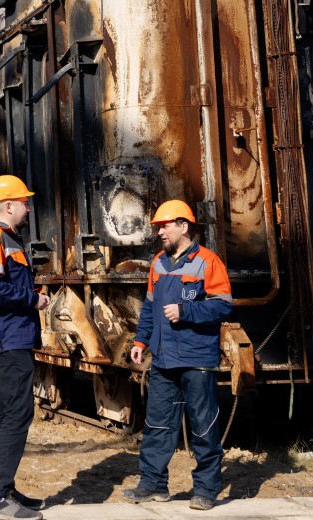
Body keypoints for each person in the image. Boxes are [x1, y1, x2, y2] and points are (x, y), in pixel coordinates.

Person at [122, 199, 233, 511]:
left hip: (197, 359)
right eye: (158, 227)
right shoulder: (158, 263)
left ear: (184, 226)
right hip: (163, 358)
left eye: (165, 225)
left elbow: (223, 304)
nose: (159, 232)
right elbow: (149, 310)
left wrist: (186, 310)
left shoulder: (208, 262)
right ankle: (153, 484)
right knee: (157, 424)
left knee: (203, 426)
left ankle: (206, 490)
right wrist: (141, 342)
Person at [0, 174, 51, 520]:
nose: (28, 207)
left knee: (7, 413)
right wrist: (32, 299)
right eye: (24, 202)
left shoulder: (6, 237)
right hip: (7, 336)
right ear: (8, 206)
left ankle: (3, 489)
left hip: (10, 335)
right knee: (17, 413)